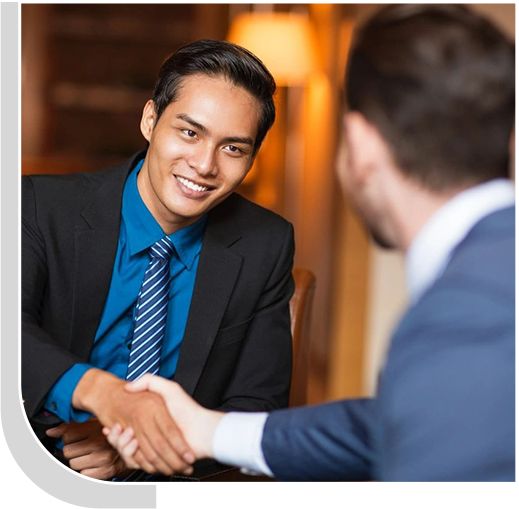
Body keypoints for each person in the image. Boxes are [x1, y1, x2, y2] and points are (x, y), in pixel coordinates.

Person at [106, 5, 515, 482]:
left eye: (235, 147)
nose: (205, 163)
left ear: (359, 145)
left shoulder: (466, 311)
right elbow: (387, 425)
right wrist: (207, 430)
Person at [22, 40, 295, 481]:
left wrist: (136, 448)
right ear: (151, 120)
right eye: (190, 132)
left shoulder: (266, 243)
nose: (204, 165)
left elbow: (257, 409)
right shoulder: (39, 206)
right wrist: (106, 396)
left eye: (233, 149)